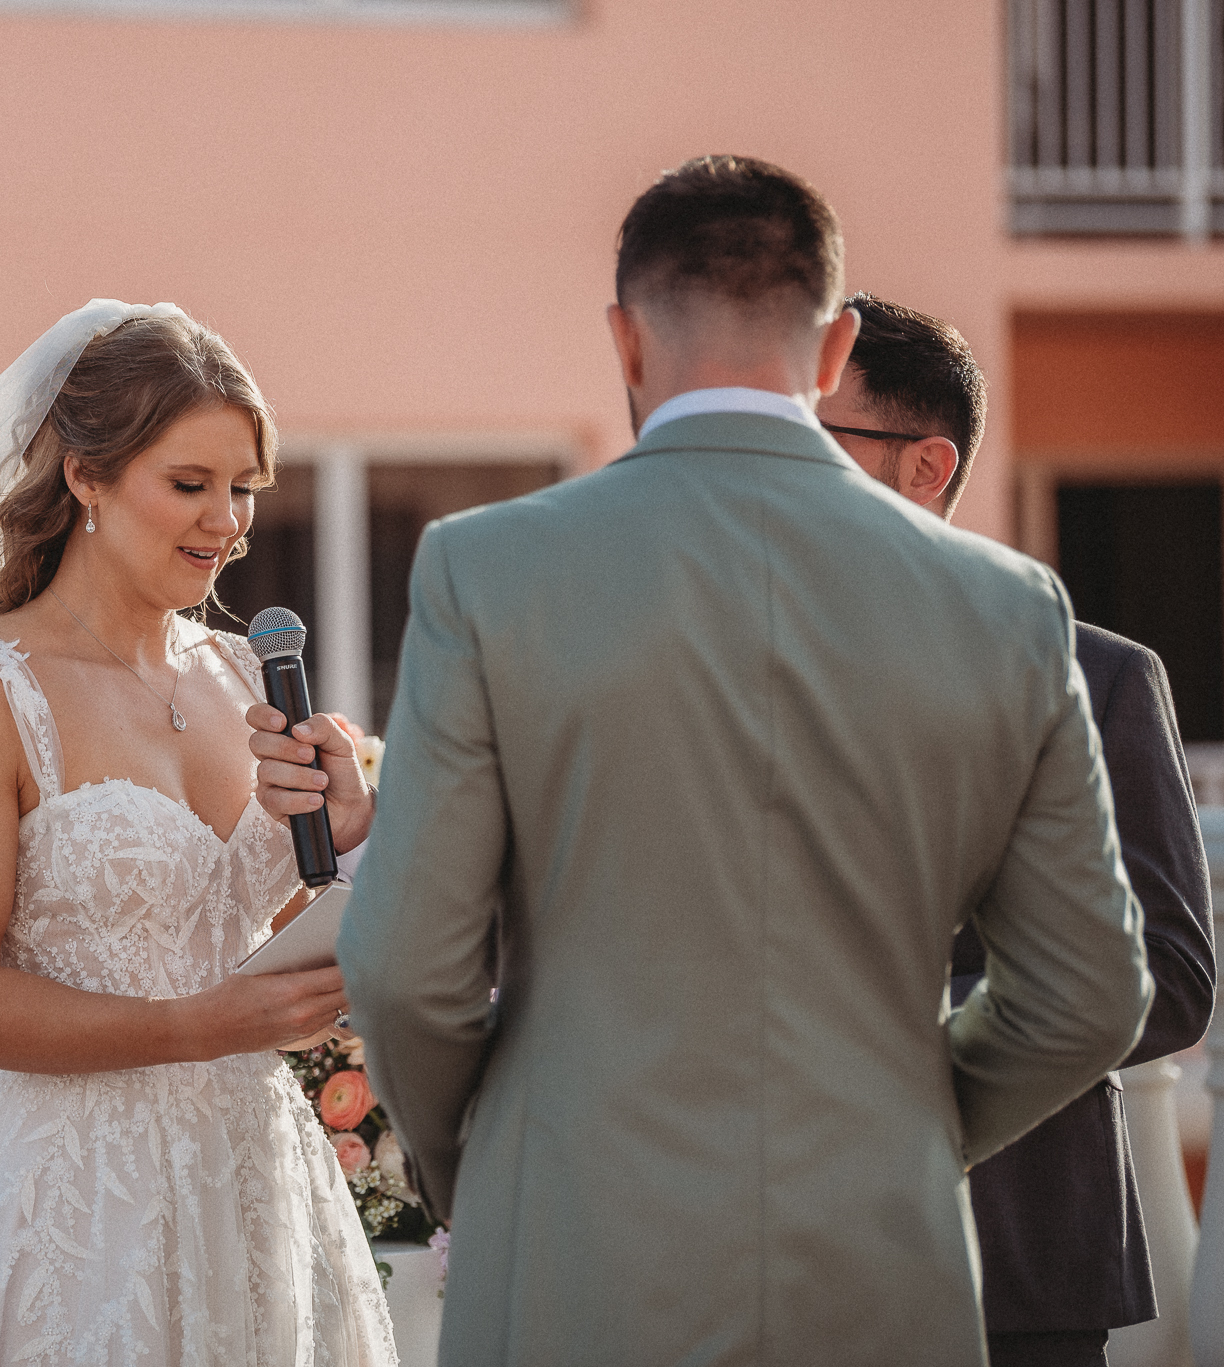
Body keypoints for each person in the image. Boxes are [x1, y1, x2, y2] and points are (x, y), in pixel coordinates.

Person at [252, 156, 1153, 1364]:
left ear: (625, 342)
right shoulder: (1005, 607)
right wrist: (904, 1131)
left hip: (574, 1247)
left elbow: (405, 962)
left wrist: (497, 1162)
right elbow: (1091, 991)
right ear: (831, 350)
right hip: (883, 1262)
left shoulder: (491, 571)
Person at [0, 301, 397, 1365]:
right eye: (188, 485)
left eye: (242, 488)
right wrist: (196, 1025)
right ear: (84, 477)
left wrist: (344, 837)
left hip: (255, 1178)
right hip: (76, 1208)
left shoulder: (238, 674)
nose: (226, 520)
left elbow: (242, 936)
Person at [819, 293, 1215, 1367]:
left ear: (924, 466)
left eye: (812, 442)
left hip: (1012, 1258)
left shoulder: (1098, 677)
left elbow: (1168, 978)